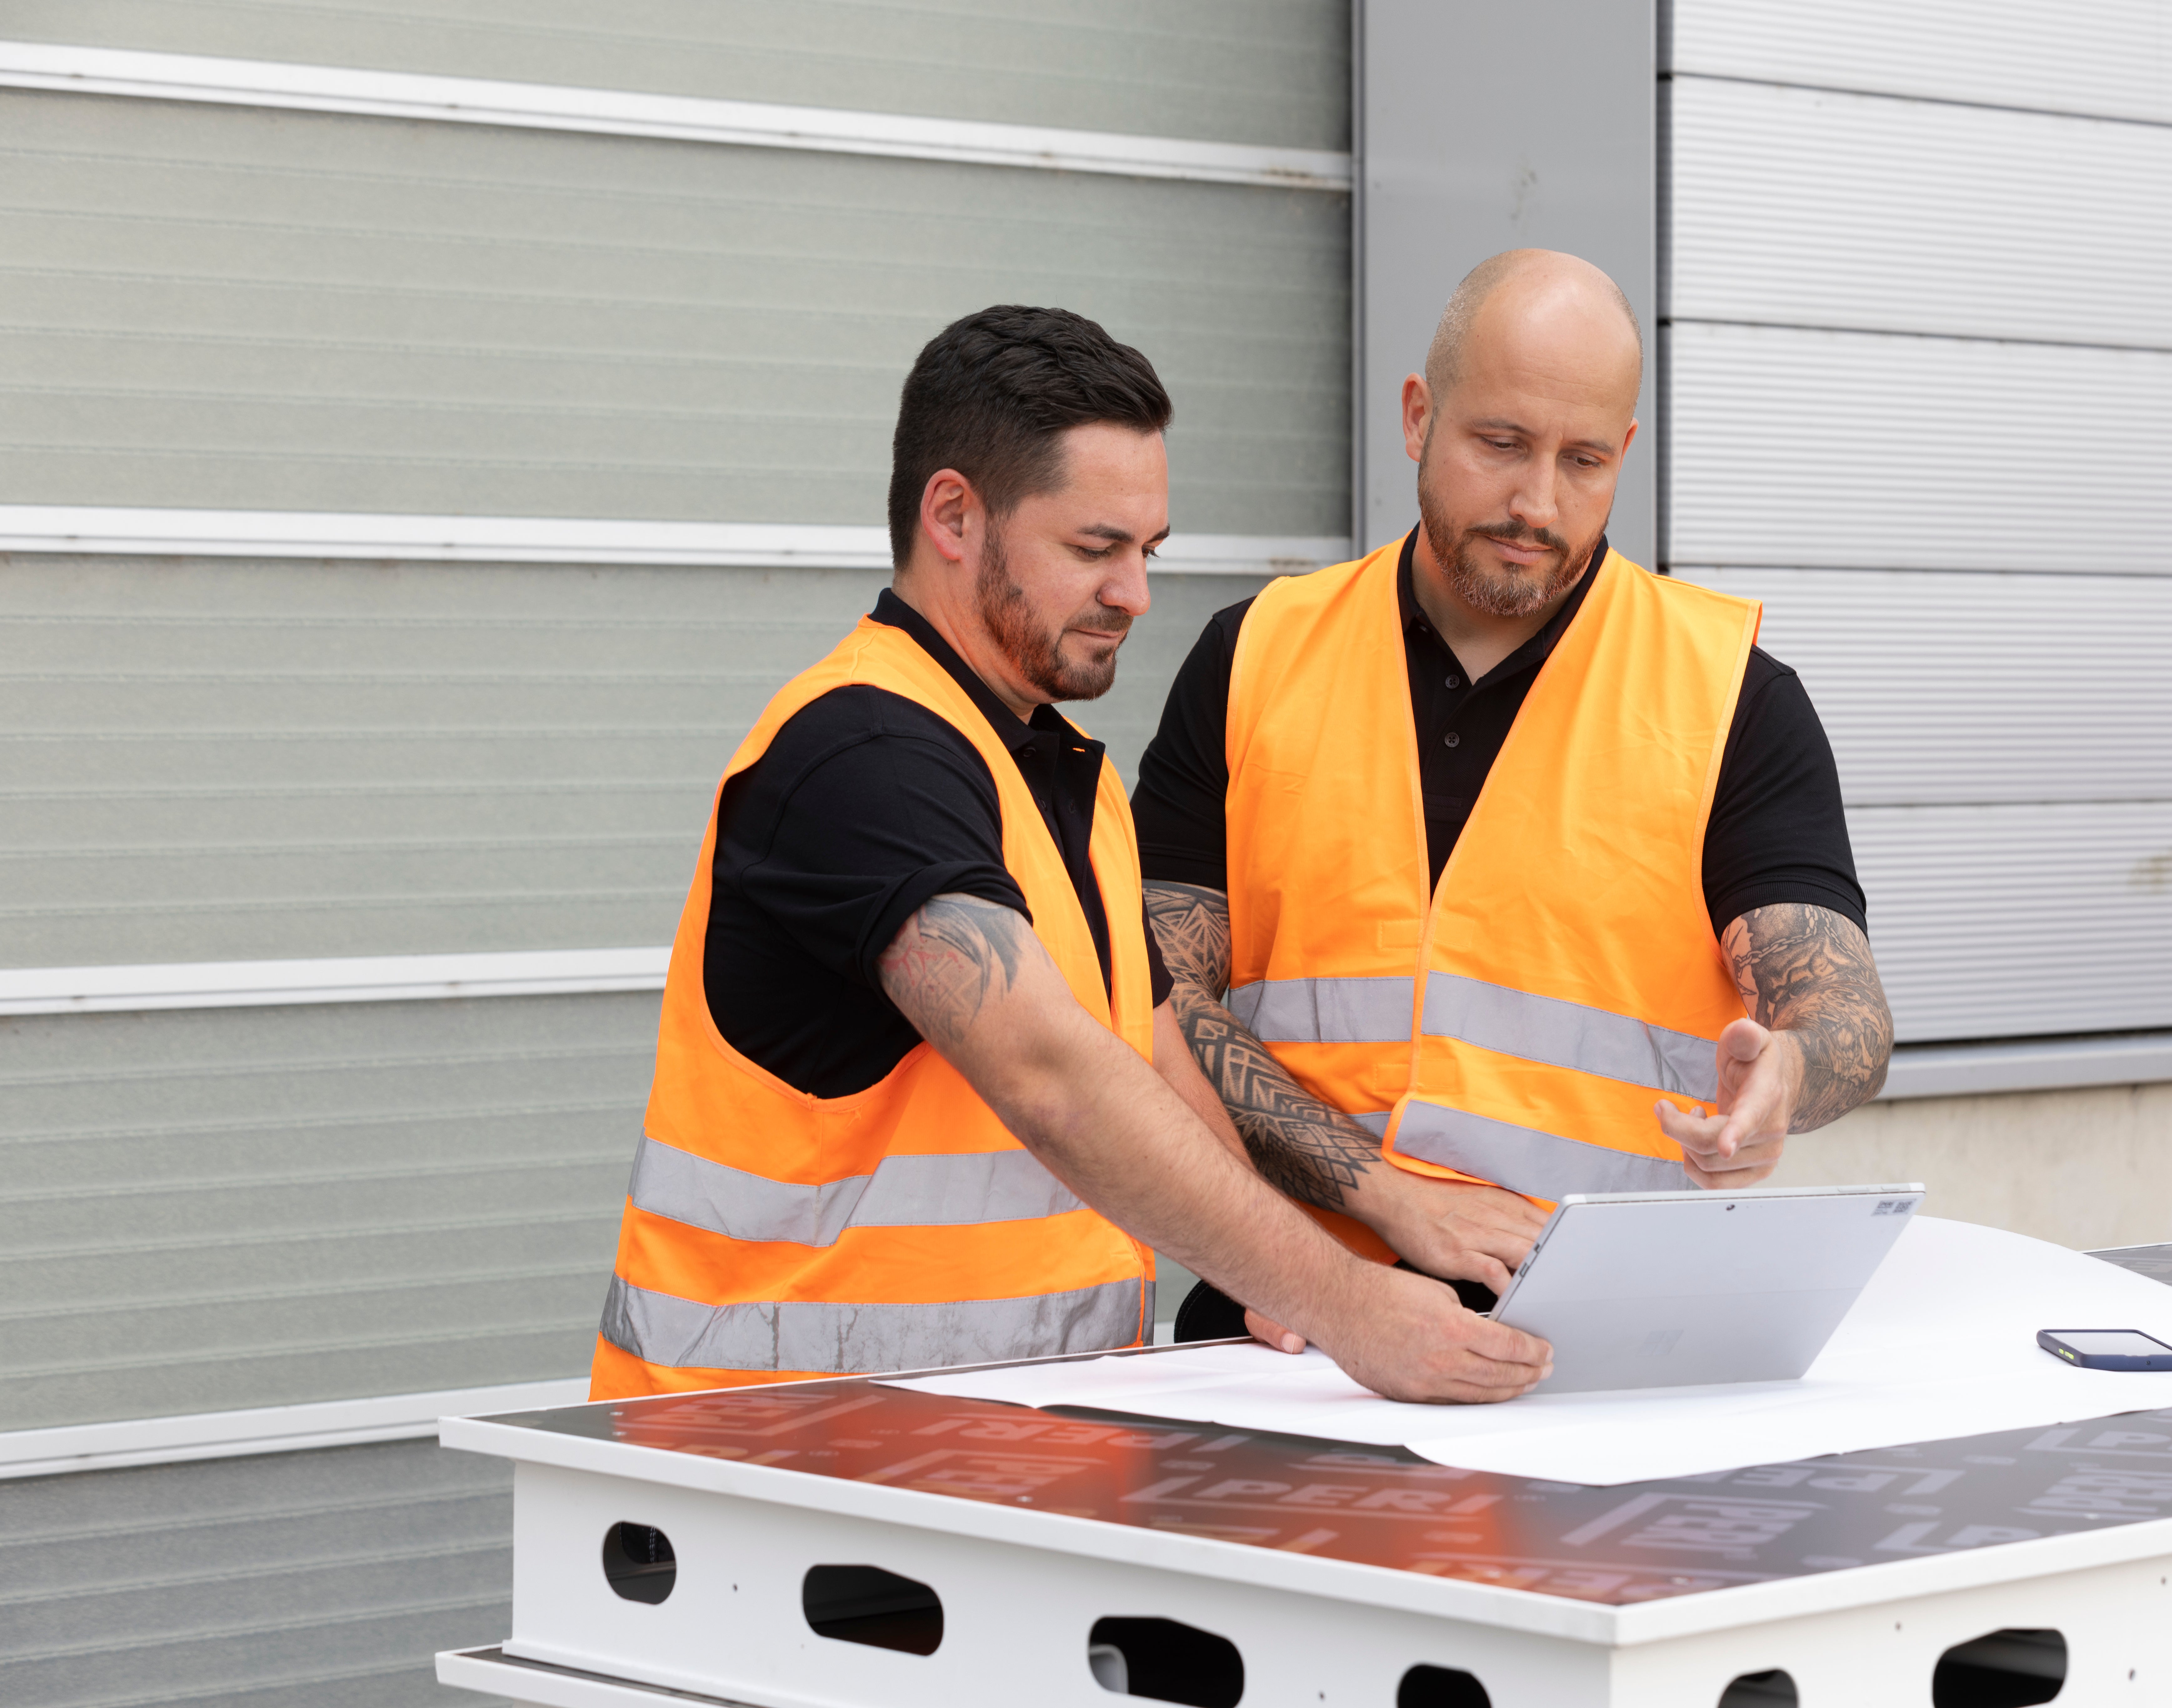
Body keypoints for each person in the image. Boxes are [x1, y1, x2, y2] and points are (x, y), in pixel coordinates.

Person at [589, 305, 1551, 1404]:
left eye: (1147, 552)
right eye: (1095, 549)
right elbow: (1053, 1075)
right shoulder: (861, 755)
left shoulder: (1057, 770)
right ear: (953, 515)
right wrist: (1350, 1302)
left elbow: (1146, 1048)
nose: (1135, 594)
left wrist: (1280, 1275)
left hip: (984, 1459)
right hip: (773, 1476)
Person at [1134, 251, 1894, 1339]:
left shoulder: (1731, 698)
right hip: (1293, 1325)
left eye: (1584, 461)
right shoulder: (1253, 656)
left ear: (1625, 454)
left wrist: (1791, 1075)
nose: (1538, 502)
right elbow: (1152, 1003)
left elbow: (1847, 1011)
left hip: (1601, 1336)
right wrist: (1363, 1214)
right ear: (1417, 417)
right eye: (1501, 444)